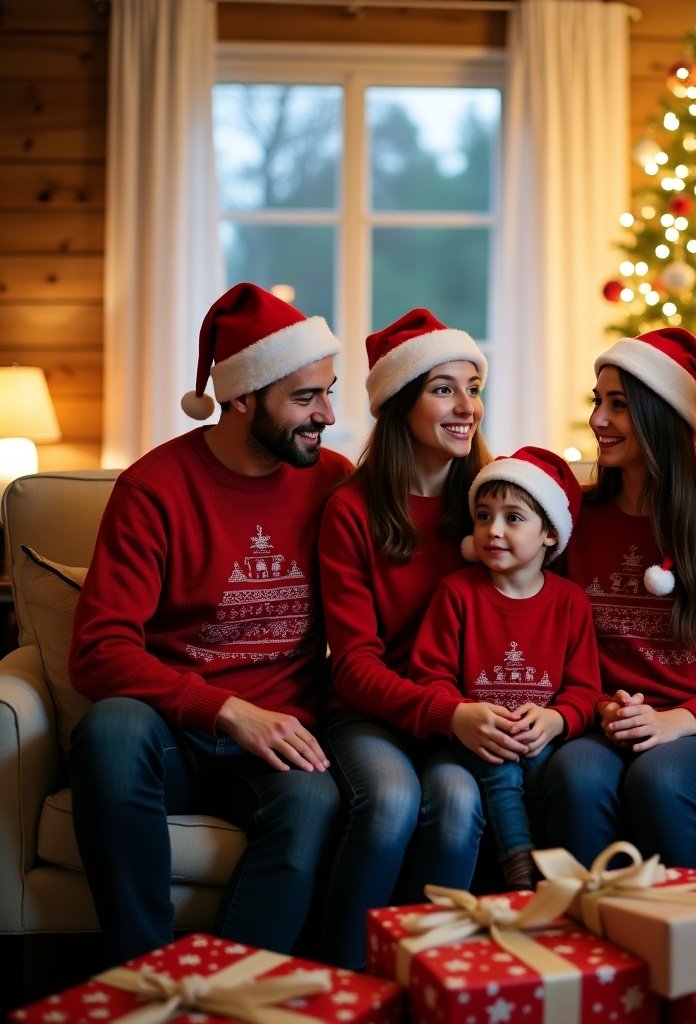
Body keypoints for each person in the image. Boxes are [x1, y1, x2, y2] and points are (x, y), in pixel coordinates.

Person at [68, 282, 353, 966]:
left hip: (283, 736)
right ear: (244, 396)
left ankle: (222, 991)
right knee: (107, 729)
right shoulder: (153, 490)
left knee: (313, 801)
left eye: (329, 391)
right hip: (174, 732)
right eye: (307, 398)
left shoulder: (334, 483)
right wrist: (225, 709)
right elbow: (98, 651)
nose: (330, 414)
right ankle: (140, 974)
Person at [318, 308, 528, 969]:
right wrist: (448, 713)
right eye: (444, 389)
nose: (467, 406)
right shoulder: (352, 510)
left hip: (461, 721)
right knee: (389, 797)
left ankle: (420, 980)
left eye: (474, 386)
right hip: (373, 715)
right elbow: (352, 665)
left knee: (460, 800)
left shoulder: (496, 507)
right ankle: (342, 977)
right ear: (399, 402)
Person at [541, 327, 696, 869]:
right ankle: (591, 940)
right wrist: (601, 706)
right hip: (600, 719)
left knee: (660, 778)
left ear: (663, 418)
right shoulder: (574, 520)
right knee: (574, 774)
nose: (598, 420)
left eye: (619, 405)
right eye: (597, 401)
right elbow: (550, 644)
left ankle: (690, 939)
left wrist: (678, 721)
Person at [409, 446, 601, 889]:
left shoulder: (570, 602)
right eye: (483, 516)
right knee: (499, 767)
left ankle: (560, 879)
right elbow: (430, 676)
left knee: (545, 772)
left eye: (513, 518)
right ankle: (520, 867)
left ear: (550, 533)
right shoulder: (457, 593)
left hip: (538, 736)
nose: (493, 531)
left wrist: (555, 720)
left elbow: (585, 690)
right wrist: (466, 717)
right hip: (468, 736)